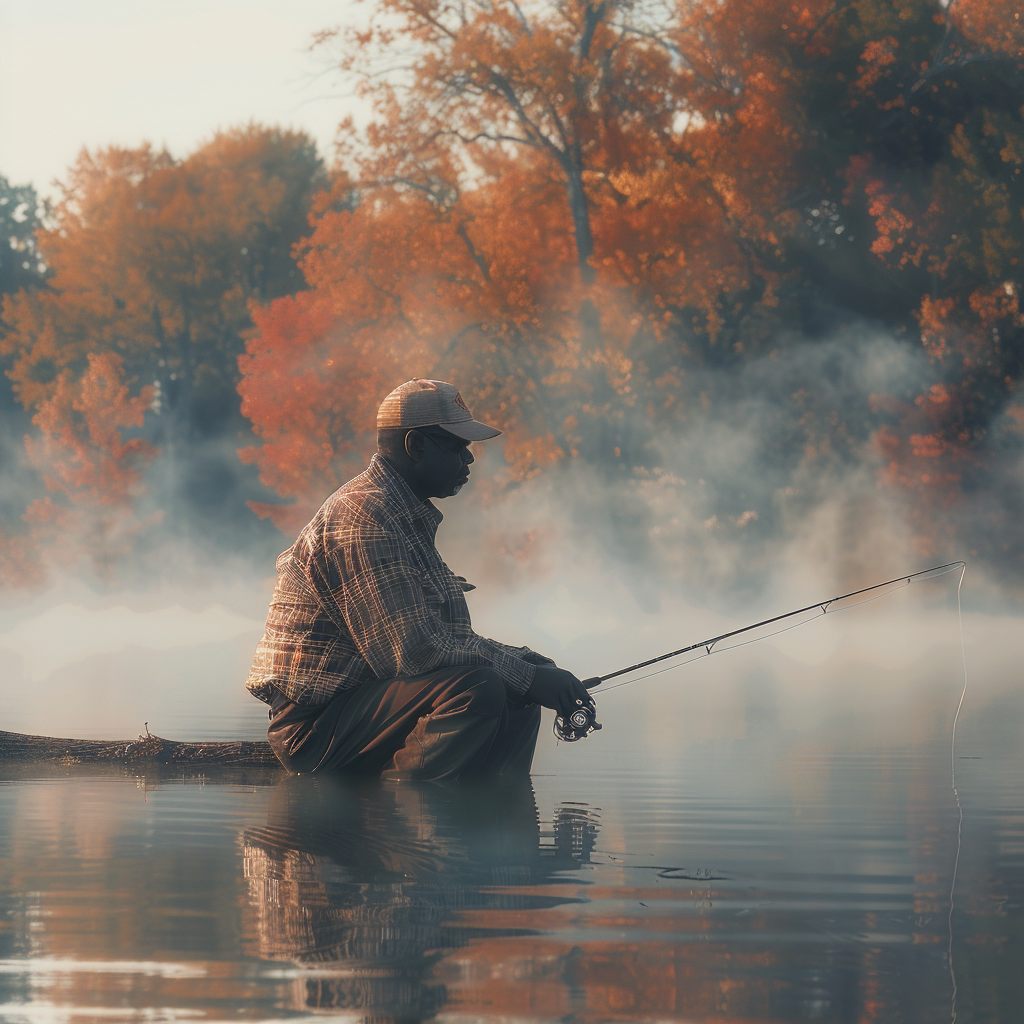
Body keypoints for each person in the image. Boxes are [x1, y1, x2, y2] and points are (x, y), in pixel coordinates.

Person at [245, 378, 597, 780]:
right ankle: (405, 811)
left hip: (367, 707)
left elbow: (446, 640)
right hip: (315, 728)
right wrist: (530, 678)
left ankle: (497, 818)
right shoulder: (363, 517)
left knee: (514, 684)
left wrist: (531, 666)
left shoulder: (400, 516)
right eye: (457, 446)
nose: (469, 459)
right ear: (416, 446)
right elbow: (415, 652)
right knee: (478, 687)